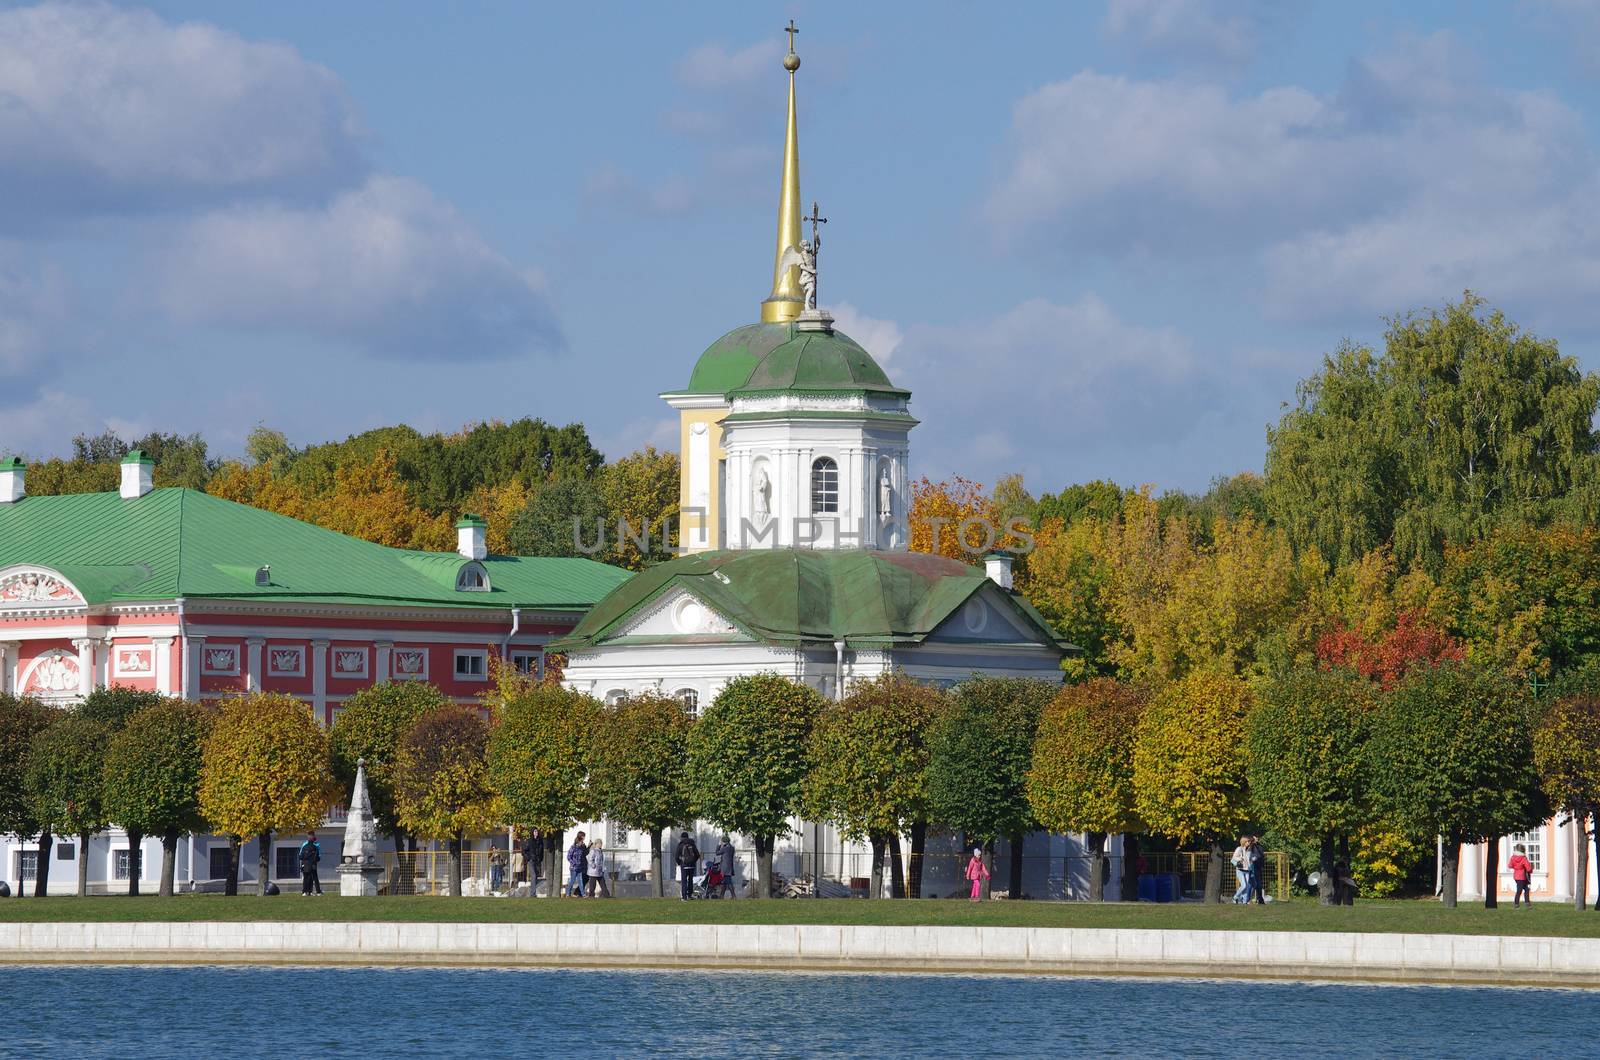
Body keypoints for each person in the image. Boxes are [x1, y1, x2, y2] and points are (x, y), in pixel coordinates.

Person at [674, 830, 701, 901]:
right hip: (692, 865)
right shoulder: (692, 844)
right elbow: (697, 855)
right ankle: (690, 895)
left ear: (682, 837)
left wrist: (680, 863)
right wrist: (693, 861)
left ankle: (684, 897)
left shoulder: (680, 845)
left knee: (684, 881)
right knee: (690, 880)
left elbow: (676, 856)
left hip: (684, 865)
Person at [297, 832, 322, 897]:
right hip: (313, 864)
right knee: (314, 878)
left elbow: (300, 856)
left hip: (305, 864)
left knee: (306, 878)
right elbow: (318, 856)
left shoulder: (304, 845)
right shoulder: (316, 846)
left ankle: (305, 891)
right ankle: (316, 891)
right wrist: (315, 860)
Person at [566, 832, 589, 898]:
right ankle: (568, 893)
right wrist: (573, 863)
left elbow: (584, 854)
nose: (584, 838)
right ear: (580, 837)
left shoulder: (582, 847)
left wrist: (588, 847)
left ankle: (583, 894)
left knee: (580, 881)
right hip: (573, 868)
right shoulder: (573, 847)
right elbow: (569, 857)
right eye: (583, 836)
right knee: (572, 881)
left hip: (580, 867)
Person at [1230, 837, 1251, 904]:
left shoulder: (1248, 849)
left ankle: (1244, 901)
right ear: (1244, 842)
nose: (1249, 843)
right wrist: (1240, 858)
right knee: (1244, 885)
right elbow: (1234, 857)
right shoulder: (1239, 849)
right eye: (1248, 841)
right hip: (1240, 869)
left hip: (1247, 869)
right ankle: (1235, 897)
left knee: (1247, 886)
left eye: (1249, 842)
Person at [1247, 835, 1266, 905]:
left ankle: (1259, 899)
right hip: (1253, 866)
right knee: (1253, 884)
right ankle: (1249, 899)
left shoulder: (1259, 846)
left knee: (1257, 884)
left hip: (1259, 866)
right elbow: (1250, 853)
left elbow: (1261, 855)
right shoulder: (1252, 845)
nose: (1256, 839)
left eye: (1257, 837)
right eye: (1255, 838)